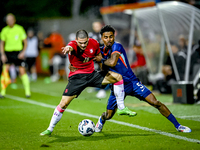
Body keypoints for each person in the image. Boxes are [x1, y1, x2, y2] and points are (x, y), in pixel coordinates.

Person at [94, 25, 191, 133]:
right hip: (117, 86)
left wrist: (101, 59)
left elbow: (112, 62)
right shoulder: (100, 51)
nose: (108, 39)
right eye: (106, 37)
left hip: (132, 82)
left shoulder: (117, 46)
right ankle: (101, 120)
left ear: (114, 37)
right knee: (108, 115)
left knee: (155, 102)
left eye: (111, 37)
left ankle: (178, 126)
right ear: (102, 38)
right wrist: (97, 60)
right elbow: (103, 69)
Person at [40, 29, 136, 136]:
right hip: (77, 78)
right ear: (76, 40)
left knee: (117, 77)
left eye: (85, 42)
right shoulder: (73, 45)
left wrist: (102, 65)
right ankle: (50, 128)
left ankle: (121, 108)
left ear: (88, 39)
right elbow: (71, 46)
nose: (83, 45)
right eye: (80, 43)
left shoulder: (94, 43)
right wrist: (68, 48)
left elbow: (99, 57)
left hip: (91, 75)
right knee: (64, 103)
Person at [0, 13, 31, 98]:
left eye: (11, 19)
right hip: (8, 53)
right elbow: (2, 43)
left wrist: (23, 52)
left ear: (14, 20)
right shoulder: (4, 30)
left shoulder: (19, 29)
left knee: (22, 71)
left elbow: (25, 42)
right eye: (8, 20)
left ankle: (27, 92)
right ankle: (2, 92)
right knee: (5, 72)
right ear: (6, 21)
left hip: (18, 53)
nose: (9, 21)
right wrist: (2, 54)